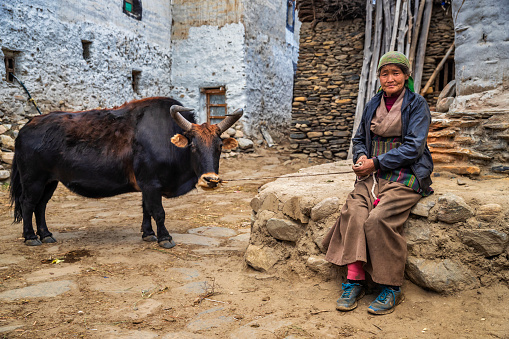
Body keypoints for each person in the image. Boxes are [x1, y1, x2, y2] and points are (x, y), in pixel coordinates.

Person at [322, 51, 434, 315]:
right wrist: (361, 157)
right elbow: (359, 138)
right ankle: (354, 280)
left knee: (379, 218)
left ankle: (390, 286)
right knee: (355, 212)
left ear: (406, 76)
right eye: (385, 73)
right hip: (372, 175)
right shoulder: (373, 104)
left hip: (406, 175)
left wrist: (377, 162)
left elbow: (414, 148)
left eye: (396, 73)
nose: (390, 78)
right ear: (379, 77)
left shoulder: (417, 105)